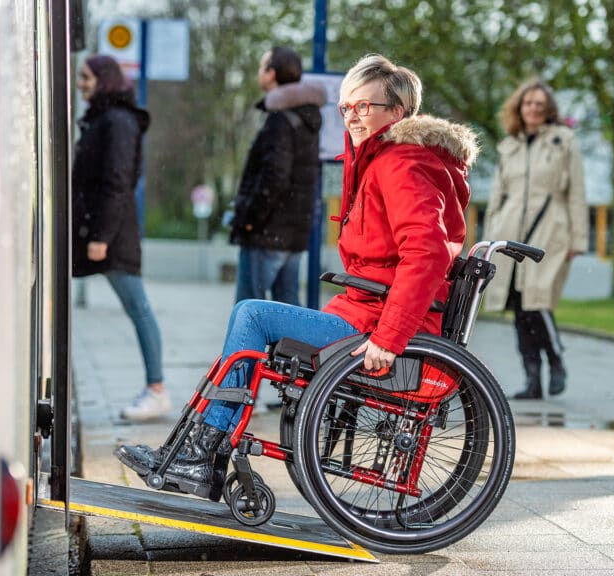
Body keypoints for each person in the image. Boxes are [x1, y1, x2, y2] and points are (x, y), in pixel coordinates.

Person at [115, 54, 479, 498]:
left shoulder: (400, 162)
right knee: (247, 326)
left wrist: (389, 338)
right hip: (366, 313)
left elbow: (426, 252)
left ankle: (204, 454)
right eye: (347, 107)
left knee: (253, 315)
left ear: (397, 113)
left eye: (365, 106)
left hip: (380, 327)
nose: (353, 116)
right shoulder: (381, 159)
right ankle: (199, 453)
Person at [73, 55, 173, 421]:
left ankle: (157, 389)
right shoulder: (106, 119)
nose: (80, 84)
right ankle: (155, 387)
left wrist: (100, 236)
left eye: (85, 78)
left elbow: (116, 183)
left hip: (110, 233)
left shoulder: (116, 121)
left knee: (139, 309)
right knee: (137, 309)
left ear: (104, 80)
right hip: (102, 229)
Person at [481, 79, 588, 400]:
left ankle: (556, 362)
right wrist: (489, 240)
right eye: (528, 103)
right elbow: (497, 196)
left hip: (550, 231)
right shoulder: (508, 146)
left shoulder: (563, 141)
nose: (534, 109)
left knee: (538, 302)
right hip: (510, 232)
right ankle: (532, 380)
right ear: (519, 107)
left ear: (549, 109)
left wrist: (577, 240)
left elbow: (577, 193)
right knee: (520, 309)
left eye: (540, 104)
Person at [229, 47, 326, 306]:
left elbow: (274, 176)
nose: (259, 72)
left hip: (266, 233)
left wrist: (250, 218)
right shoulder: (306, 119)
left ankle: (245, 350)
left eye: (262, 67)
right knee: (286, 313)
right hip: (292, 234)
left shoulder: (280, 120)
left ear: (271, 74)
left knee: (248, 311)